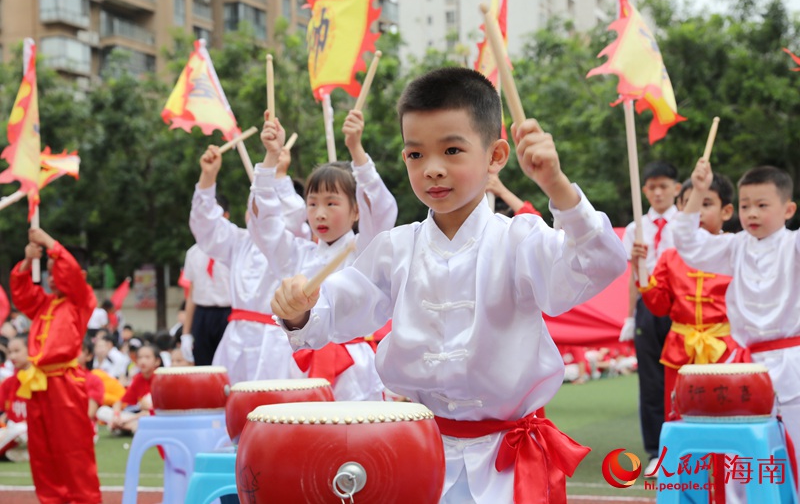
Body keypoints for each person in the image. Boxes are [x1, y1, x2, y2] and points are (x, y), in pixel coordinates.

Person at [270, 67, 627, 502]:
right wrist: (299, 309)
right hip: (418, 453)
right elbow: (338, 307)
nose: (433, 170)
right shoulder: (394, 249)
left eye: (452, 150)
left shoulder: (520, 240)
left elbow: (598, 263)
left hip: (506, 462)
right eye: (416, 155)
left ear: (496, 156)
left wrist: (556, 187)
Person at [251, 109, 397, 400]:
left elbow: (380, 208)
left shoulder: (366, 249)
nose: (320, 213)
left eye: (332, 203)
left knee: (358, 439)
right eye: (313, 203)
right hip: (301, 366)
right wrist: (269, 159)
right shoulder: (295, 254)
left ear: (356, 210)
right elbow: (262, 223)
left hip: (356, 368)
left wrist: (356, 150)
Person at [673, 162, 800, 477]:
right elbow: (687, 242)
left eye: (762, 205)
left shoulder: (794, 244)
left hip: (793, 360)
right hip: (745, 366)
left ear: (788, 210)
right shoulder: (735, 246)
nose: (752, 213)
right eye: (745, 206)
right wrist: (699, 190)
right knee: (743, 450)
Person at [189, 131, 309, 384]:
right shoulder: (238, 242)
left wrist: (279, 173)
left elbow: (294, 214)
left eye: (262, 207)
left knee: (275, 411)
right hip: (236, 339)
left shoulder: (294, 241)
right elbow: (205, 226)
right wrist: (208, 178)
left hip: (276, 342)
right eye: (251, 206)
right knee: (232, 412)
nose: (254, 212)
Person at [633, 176, 740, 419]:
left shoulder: (736, 250)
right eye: (689, 205)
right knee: (681, 414)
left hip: (725, 349)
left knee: (727, 415)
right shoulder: (671, 257)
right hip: (681, 351)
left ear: (726, 211)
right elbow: (659, 307)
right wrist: (641, 272)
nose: (697, 213)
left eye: (705, 204)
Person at [10, 228, 101, 503]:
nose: (51, 276)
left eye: (54, 268)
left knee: (73, 451)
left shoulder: (80, 300)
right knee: (42, 453)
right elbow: (22, 293)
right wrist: (27, 261)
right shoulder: (45, 304)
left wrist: (48, 241)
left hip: (65, 384)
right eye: (48, 270)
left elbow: (71, 272)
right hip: (39, 385)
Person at [620, 161, 681, 474]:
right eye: (652, 187)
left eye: (663, 186)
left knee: (683, 378)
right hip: (647, 306)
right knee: (651, 381)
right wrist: (630, 317)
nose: (658, 192)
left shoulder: (685, 224)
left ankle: (686, 446)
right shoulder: (635, 228)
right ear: (644, 190)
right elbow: (633, 275)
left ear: (676, 188)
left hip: (680, 305)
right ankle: (656, 451)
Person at [181, 194, 232, 366]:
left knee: (228, 367)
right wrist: (186, 333)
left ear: (226, 216)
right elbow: (191, 294)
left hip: (230, 313)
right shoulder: (193, 253)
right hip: (202, 315)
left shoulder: (236, 249)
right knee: (204, 367)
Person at [97, 343, 161, 434]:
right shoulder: (138, 378)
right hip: (138, 417)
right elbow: (119, 402)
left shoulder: (161, 379)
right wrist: (116, 416)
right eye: (140, 357)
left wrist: (126, 421)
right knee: (102, 411)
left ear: (157, 361)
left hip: (154, 418)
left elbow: (153, 411)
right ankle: (126, 427)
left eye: (147, 357)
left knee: (147, 414)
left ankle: (124, 427)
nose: (143, 361)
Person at [0, 336, 30, 462]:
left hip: (35, 433)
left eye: (17, 351)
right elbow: (3, 414)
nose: (12, 356)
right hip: (12, 434)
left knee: (21, 430)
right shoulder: (9, 383)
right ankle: (11, 455)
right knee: (17, 430)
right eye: (10, 352)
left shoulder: (43, 381)